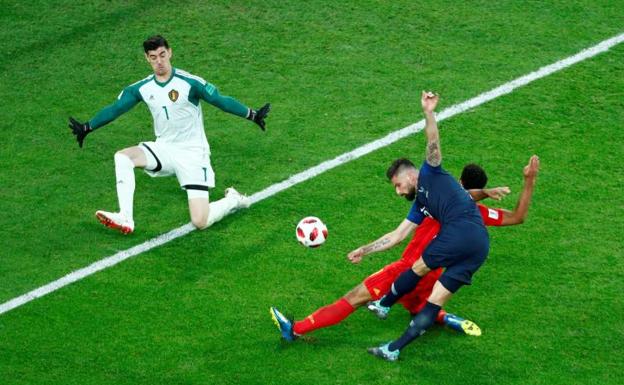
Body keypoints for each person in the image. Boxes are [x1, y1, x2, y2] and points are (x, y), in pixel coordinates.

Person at [269, 158, 535, 341]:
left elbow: (397, 236)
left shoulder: (437, 200)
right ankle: (443, 317)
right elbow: (517, 217)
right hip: (431, 277)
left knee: (353, 298)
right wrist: (528, 180)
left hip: (407, 271)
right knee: (421, 308)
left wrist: (365, 249)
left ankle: (295, 329)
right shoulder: (475, 214)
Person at [366, 92, 537, 361]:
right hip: (479, 247)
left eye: (398, 186)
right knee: (434, 302)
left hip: (459, 234)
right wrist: (529, 180)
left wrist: (429, 111)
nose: (398, 192)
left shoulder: (431, 171)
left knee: (418, 268)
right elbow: (517, 216)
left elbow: (432, 140)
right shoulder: (426, 203)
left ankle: (385, 304)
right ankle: (393, 349)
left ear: (410, 175)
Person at [68, 35, 270, 234]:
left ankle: (233, 199)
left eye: (162, 55)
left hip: (192, 153)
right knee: (123, 157)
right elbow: (116, 109)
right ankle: (126, 217)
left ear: (170, 52)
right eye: (153, 57)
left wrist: (252, 114)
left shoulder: (190, 83)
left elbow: (221, 100)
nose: (159, 61)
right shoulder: (142, 88)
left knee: (200, 221)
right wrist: (87, 127)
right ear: (147, 58)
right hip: (164, 148)